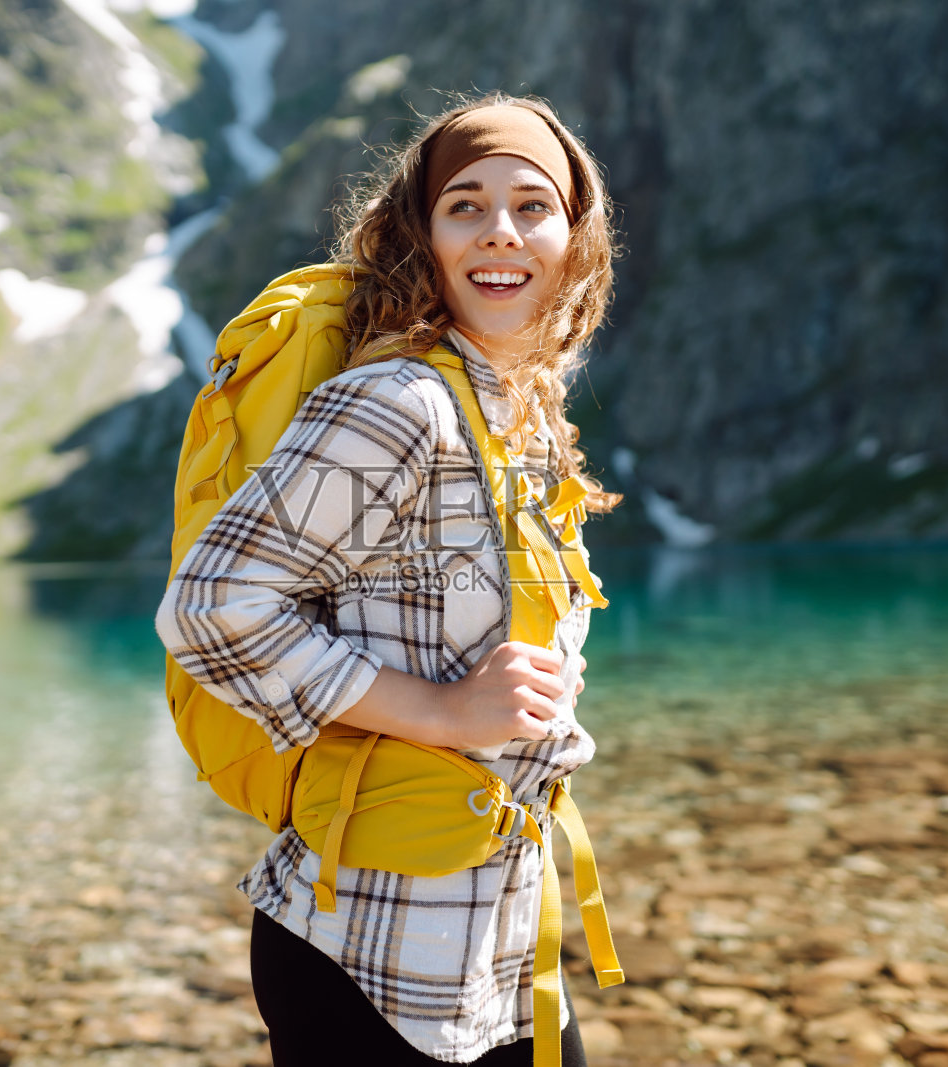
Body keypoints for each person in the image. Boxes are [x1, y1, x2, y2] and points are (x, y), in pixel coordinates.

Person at [156, 92, 620, 1066]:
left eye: (532, 205)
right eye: (465, 204)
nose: (501, 231)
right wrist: (445, 712)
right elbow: (209, 607)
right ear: (422, 234)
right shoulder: (398, 401)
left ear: (576, 235)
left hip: (497, 941)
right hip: (365, 950)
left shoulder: (522, 408)